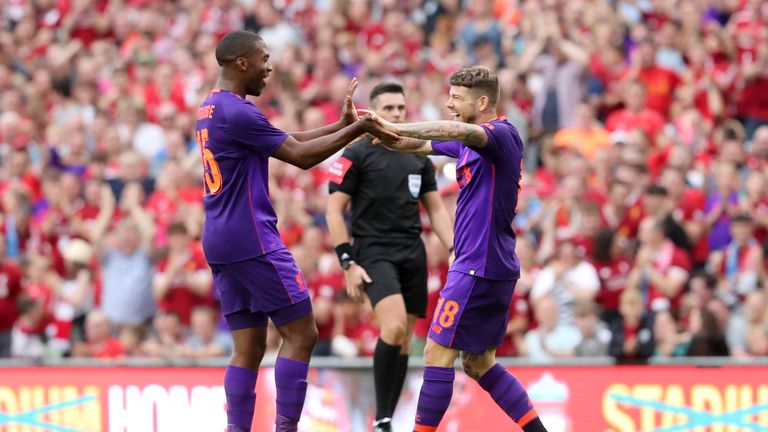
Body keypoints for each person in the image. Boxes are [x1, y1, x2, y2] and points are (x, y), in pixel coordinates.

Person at [195, 31, 396, 432]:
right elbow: (301, 158)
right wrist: (359, 131)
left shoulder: (211, 108)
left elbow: (288, 141)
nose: (270, 68)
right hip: (251, 237)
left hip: (219, 238)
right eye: (264, 59)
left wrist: (341, 125)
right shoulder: (239, 112)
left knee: (248, 348)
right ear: (242, 63)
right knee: (303, 334)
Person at [362, 65, 548, 432]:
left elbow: (455, 130)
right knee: (479, 364)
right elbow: (417, 144)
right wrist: (375, 132)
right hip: (491, 264)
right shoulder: (472, 141)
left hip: (477, 265)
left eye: (457, 98)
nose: (449, 104)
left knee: (436, 353)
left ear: (482, 101)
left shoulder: (500, 135)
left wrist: (393, 125)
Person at [326, 82, 454, 432]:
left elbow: (436, 210)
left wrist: (455, 249)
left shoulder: (417, 154)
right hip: (373, 250)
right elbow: (334, 212)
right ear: (373, 112)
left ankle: (386, 419)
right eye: (389, 108)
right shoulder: (356, 154)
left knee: (404, 340)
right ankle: (382, 420)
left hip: (412, 252)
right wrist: (347, 262)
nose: (397, 114)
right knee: (393, 326)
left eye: (401, 108)